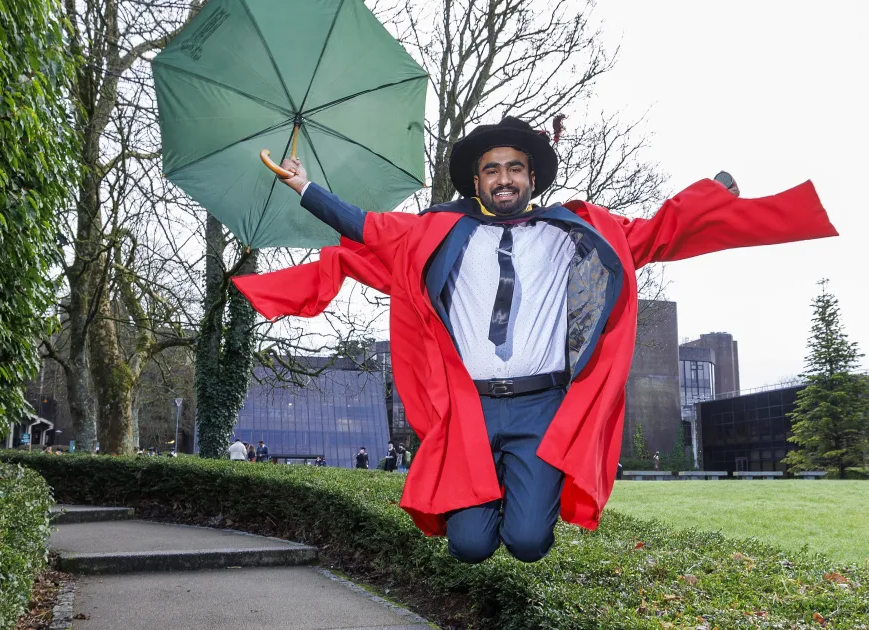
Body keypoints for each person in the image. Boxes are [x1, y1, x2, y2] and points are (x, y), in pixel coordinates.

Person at [234, 115, 836, 564]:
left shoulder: (573, 232)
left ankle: (520, 498)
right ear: (477, 180)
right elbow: (364, 226)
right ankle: (485, 491)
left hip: (542, 406)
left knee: (526, 541)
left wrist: (715, 189)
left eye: (514, 168)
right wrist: (305, 188)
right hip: (470, 407)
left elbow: (659, 231)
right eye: (492, 169)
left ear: (530, 177)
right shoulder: (438, 232)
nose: (503, 178)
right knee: (468, 546)